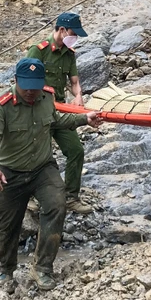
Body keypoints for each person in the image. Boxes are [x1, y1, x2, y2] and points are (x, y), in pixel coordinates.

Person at [0, 58, 103, 291]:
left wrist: (83, 118)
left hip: (42, 169)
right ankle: (6, 270)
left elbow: (56, 120)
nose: (31, 92)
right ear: (16, 80)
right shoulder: (1, 105)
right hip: (11, 173)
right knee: (8, 225)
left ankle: (43, 267)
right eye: (26, 86)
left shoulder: (46, 96)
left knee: (57, 205)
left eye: (35, 87)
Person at [25, 12, 92, 214]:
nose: (75, 38)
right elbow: (27, 82)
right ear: (62, 30)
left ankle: (71, 197)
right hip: (38, 111)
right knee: (35, 155)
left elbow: (74, 82)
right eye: (73, 33)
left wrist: (78, 95)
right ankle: (27, 196)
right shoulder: (38, 51)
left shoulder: (69, 54)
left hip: (61, 112)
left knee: (75, 150)